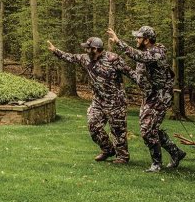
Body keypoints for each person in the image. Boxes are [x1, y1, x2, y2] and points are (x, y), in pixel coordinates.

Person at [106, 25, 186, 172]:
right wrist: (120, 66)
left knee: (147, 130)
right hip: (149, 96)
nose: (136, 39)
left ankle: (156, 164)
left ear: (147, 40)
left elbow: (138, 56)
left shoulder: (157, 53)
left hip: (160, 96)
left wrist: (118, 42)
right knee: (150, 129)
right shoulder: (145, 53)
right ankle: (176, 152)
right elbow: (138, 77)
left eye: (139, 37)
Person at [48, 36, 136, 164]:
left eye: (88, 48)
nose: (85, 50)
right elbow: (71, 57)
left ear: (95, 49)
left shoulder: (113, 59)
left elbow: (131, 73)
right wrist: (55, 50)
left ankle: (122, 157)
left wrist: (147, 85)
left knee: (118, 131)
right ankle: (108, 149)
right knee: (93, 125)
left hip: (116, 102)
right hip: (98, 102)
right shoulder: (85, 59)